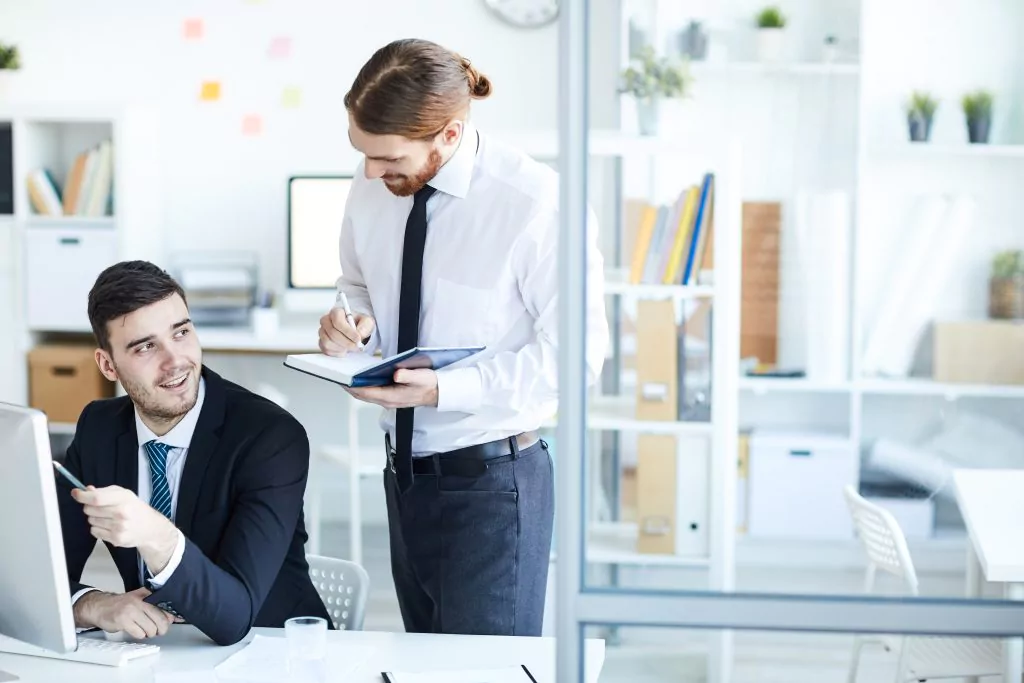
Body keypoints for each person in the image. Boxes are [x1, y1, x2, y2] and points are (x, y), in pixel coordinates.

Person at [318, 38, 609, 637]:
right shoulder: (372, 181)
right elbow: (356, 284)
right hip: (403, 479)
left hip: (493, 488)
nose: (371, 172)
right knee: (424, 665)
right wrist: (351, 321)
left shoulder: (536, 205)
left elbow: (576, 357)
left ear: (449, 135)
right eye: (362, 154)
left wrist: (439, 393)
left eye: (388, 157)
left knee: (482, 674)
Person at [56, 260, 330, 646]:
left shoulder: (269, 437)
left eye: (181, 332)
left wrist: (154, 534)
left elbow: (234, 618)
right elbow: (43, 574)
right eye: (146, 346)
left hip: (272, 650)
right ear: (108, 365)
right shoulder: (99, 430)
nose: (175, 362)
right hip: (160, 654)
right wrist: (93, 604)